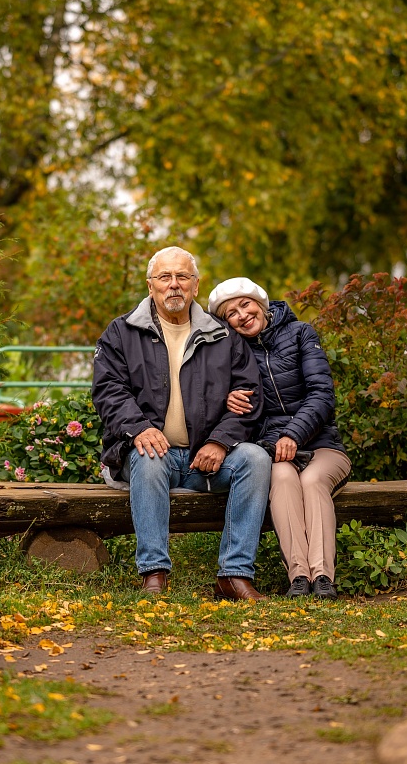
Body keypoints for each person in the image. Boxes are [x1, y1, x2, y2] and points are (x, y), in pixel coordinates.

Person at [92, 247, 272, 600]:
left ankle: (234, 574)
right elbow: (108, 390)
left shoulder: (223, 335)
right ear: (151, 286)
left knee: (255, 459)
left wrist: (220, 441)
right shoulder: (122, 332)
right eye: (165, 277)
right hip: (148, 455)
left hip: (206, 459)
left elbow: (249, 395)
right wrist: (140, 428)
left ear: (195, 285)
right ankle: (154, 573)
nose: (173, 284)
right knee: (148, 455)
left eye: (182, 277)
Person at [209, 277, 350, 600]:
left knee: (312, 480)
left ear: (261, 304)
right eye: (231, 313)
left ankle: (323, 576)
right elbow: (214, 400)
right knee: (283, 480)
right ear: (226, 322)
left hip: (322, 446)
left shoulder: (300, 333)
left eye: (245, 304)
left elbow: (322, 394)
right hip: (275, 451)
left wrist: (293, 434)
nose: (242, 315)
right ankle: (299, 575)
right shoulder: (232, 354)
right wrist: (225, 398)